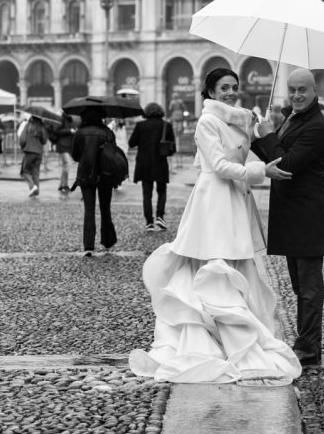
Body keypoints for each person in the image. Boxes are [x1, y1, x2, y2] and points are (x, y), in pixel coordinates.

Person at [129, 67, 301, 384]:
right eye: (224, 87)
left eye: (234, 86)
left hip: (235, 201)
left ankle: (232, 338)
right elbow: (219, 166)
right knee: (212, 268)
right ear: (210, 91)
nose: (231, 92)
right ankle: (213, 343)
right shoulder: (207, 121)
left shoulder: (239, 121)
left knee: (234, 270)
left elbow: (244, 156)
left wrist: (263, 132)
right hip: (214, 204)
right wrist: (260, 171)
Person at [252, 68, 324, 367]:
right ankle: (304, 341)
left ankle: (309, 348)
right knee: (300, 286)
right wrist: (264, 132)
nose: (297, 95)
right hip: (293, 214)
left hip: (307, 215)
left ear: (315, 92)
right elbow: (275, 153)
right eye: (293, 89)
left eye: (303, 89)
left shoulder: (317, 126)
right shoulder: (292, 117)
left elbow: (285, 164)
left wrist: (268, 136)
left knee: (310, 288)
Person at [71, 107, 117, 256]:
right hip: (106, 174)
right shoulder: (108, 132)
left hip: (86, 175)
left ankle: (89, 246)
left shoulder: (80, 133)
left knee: (89, 210)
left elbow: (75, 156)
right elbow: (113, 154)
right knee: (105, 209)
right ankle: (108, 241)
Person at [128, 102, 175, 232]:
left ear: (146, 112)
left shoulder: (140, 125)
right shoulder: (167, 125)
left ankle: (149, 222)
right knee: (162, 191)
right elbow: (172, 149)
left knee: (146, 194)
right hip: (160, 163)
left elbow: (131, 143)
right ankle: (160, 216)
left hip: (144, 164)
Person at [19, 115, 48, 197]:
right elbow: (44, 141)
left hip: (29, 151)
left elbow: (22, 139)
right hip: (39, 152)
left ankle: (32, 187)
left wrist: (22, 147)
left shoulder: (28, 125)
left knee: (24, 171)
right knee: (36, 172)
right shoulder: (42, 127)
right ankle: (36, 191)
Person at [53, 112, 75, 194]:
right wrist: (69, 131)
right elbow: (57, 131)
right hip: (62, 146)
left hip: (67, 146)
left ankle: (62, 185)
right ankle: (64, 185)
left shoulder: (70, 120)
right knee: (67, 164)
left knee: (66, 165)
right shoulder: (62, 119)